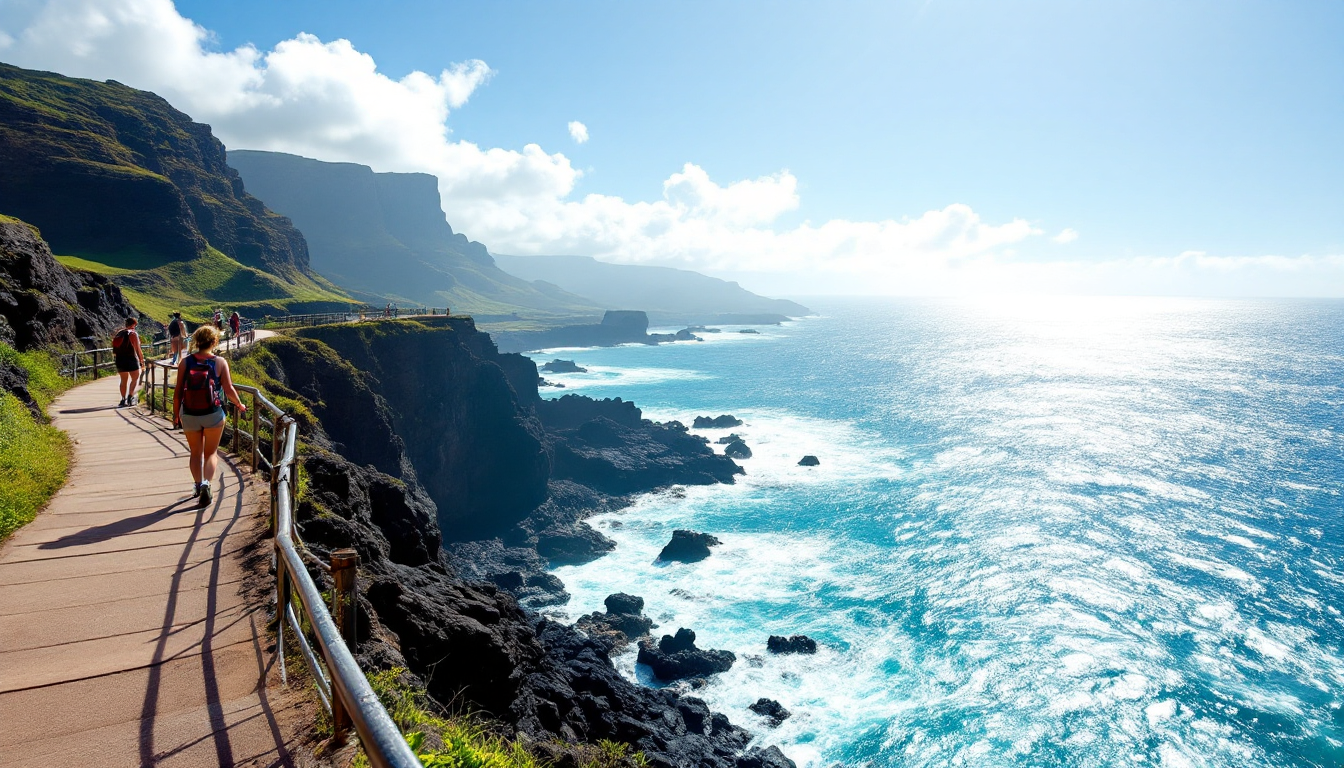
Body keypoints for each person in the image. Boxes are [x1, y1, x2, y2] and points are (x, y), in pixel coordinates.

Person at [173, 325, 246, 506]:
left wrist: (176, 415)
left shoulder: (186, 362)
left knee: (195, 453)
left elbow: (178, 392)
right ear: (214, 341)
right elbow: (228, 389)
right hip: (213, 414)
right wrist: (239, 404)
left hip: (189, 413)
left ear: (197, 341)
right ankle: (207, 484)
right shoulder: (219, 362)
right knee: (211, 452)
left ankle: (197, 485)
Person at [111, 317, 144, 407]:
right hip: (131, 359)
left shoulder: (119, 333)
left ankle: (123, 399)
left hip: (119, 360)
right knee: (135, 378)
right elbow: (137, 348)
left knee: (123, 380)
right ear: (133, 325)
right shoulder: (133, 334)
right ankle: (130, 396)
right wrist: (142, 360)